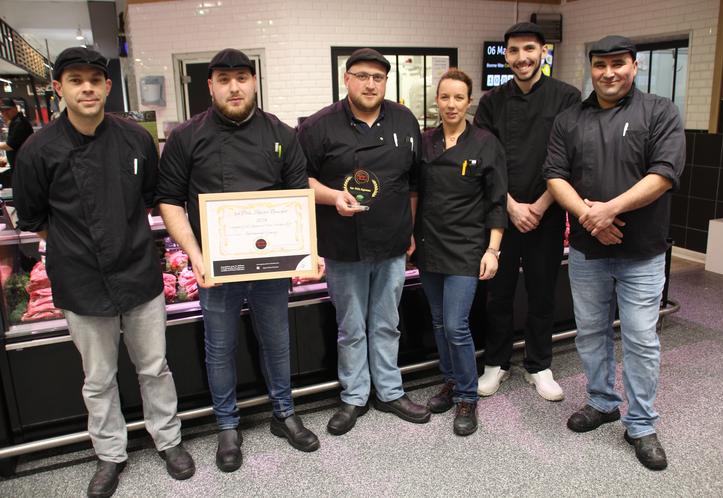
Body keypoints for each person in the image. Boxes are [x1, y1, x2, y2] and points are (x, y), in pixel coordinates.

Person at [13, 47, 194, 498]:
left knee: (154, 367)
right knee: (98, 378)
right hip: (80, 279)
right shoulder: (37, 150)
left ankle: (168, 441)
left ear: (108, 86)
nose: (87, 87)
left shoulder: (135, 139)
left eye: (95, 79)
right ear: (59, 89)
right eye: (75, 80)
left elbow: (153, 196)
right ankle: (110, 454)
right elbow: (33, 218)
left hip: (138, 273)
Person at [156, 48, 320, 472]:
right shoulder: (185, 137)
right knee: (220, 348)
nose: (234, 86)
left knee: (277, 342)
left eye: (242, 77)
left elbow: (299, 200)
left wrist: (307, 255)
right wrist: (196, 257)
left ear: (254, 81)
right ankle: (227, 425)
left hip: (270, 267)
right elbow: (169, 201)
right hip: (217, 267)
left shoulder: (282, 133)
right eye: (224, 79)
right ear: (210, 85)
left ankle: (284, 414)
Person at [544, 35, 684, 471]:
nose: (609, 72)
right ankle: (602, 402)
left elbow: (663, 174)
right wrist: (590, 219)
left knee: (641, 338)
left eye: (618, 63)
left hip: (642, 253)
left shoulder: (659, 111)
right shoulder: (570, 119)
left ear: (634, 66)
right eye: (600, 64)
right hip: (588, 253)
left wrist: (610, 210)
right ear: (591, 68)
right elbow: (555, 177)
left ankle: (641, 424)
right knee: (590, 334)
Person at [298, 48, 430, 436]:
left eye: (378, 76)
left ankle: (389, 391)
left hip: (391, 242)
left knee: (388, 323)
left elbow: (413, 183)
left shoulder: (404, 119)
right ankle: (355, 395)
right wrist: (332, 197)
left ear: (386, 82)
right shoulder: (319, 126)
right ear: (347, 79)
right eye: (362, 75)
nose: (370, 83)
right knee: (351, 326)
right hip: (343, 244)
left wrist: (409, 227)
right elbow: (298, 178)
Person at [474, 22, 581, 401]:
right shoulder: (490, 103)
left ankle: (539, 365)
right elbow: (486, 162)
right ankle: (496, 363)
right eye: (514, 51)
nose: (522, 58)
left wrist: (538, 205)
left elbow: (569, 159)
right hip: (502, 214)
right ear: (506, 56)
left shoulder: (568, 98)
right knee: (497, 294)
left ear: (543, 52)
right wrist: (513, 206)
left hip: (547, 213)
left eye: (529, 49)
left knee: (542, 292)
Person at [414, 69, 507, 436]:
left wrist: (493, 249)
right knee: (438, 322)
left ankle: (468, 396)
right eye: (445, 97)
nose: (451, 104)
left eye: (458, 98)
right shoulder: (425, 141)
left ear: (469, 102)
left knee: (456, 325)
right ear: (436, 100)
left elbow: (496, 201)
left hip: (467, 248)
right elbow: (414, 192)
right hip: (430, 244)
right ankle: (451, 381)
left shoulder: (486, 143)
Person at [0, 97, 34, 187]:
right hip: (21, 164)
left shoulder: (19, 123)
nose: (4, 113)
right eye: (2, 111)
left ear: (15, 108)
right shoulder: (15, 121)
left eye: (7, 110)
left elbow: (10, 145)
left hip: (23, 166)